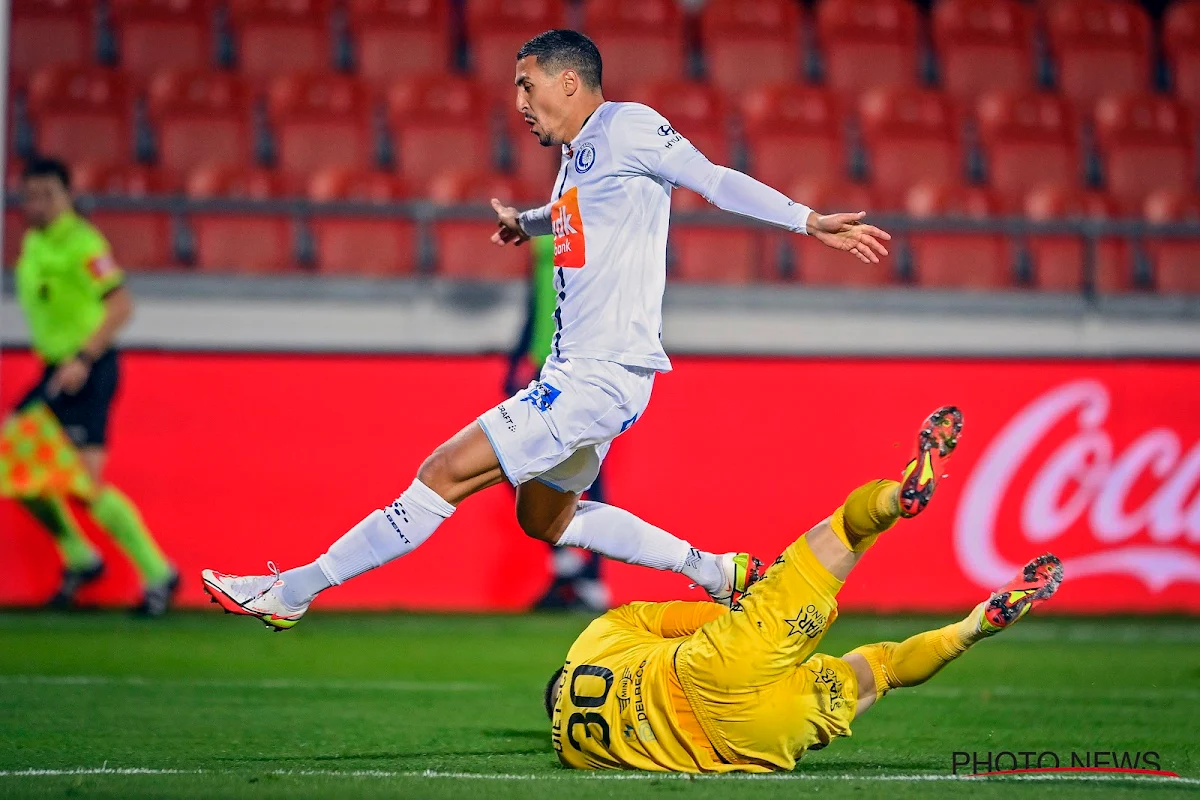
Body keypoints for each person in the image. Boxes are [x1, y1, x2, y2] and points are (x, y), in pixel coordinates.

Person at [200, 30, 891, 628]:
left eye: (527, 87)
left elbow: (712, 179)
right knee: (545, 520)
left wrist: (807, 219)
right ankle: (715, 572)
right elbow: (578, 210)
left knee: (441, 472)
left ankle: (294, 589)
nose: (520, 104)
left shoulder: (627, 126)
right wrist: (525, 223)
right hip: (592, 375)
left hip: (598, 374)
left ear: (569, 80)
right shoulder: (581, 156)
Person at [545, 406, 1066, 773]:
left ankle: (973, 628)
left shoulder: (572, 751)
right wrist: (748, 602)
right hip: (709, 670)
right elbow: (689, 622)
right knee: (845, 529)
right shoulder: (596, 641)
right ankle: (895, 497)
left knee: (880, 670)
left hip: (753, 740)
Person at [6, 157, 177, 615]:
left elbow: (121, 305)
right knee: (15, 465)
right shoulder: (34, 244)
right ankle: (80, 558)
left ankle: (158, 573)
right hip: (54, 370)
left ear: (67, 197)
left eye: (48, 195)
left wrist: (83, 357)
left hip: (88, 367)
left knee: (83, 483)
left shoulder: (84, 243)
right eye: (32, 195)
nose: (38, 204)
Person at [506, 235, 609, 611]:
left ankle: (591, 579)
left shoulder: (598, 228)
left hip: (579, 366)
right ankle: (567, 568)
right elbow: (539, 300)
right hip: (543, 365)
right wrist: (516, 359)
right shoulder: (549, 231)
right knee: (522, 465)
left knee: (588, 470)